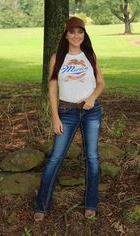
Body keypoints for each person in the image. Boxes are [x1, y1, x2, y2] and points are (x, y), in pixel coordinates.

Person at [34, 16, 105, 222]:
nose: (76, 36)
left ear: (84, 34)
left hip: (91, 111)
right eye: (72, 32)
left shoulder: (90, 56)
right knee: (56, 158)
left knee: (92, 157)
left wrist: (92, 97)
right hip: (66, 111)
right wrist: (55, 117)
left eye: (80, 32)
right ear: (66, 34)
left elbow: (101, 83)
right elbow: (52, 88)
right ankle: (42, 205)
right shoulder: (57, 58)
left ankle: (91, 204)